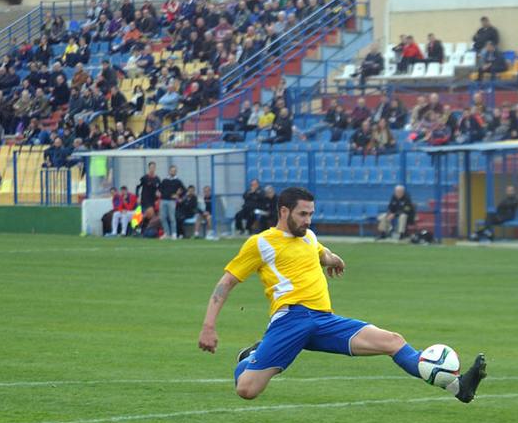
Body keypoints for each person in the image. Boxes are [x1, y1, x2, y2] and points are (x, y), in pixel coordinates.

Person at [197, 186, 487, 404]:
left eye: (311, 213)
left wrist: (334, 259)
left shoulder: (308, 236)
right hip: (290, 320)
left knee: (393, 341)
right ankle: (252, 356)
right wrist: (208, 327)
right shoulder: (260, 244)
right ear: (284, 212)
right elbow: (226, 282)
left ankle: (458, 387)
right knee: (247, 390)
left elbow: (320, 252)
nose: (309, 220)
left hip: (324, 321)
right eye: (303, 214)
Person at [159, 163, 186, 239]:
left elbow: (184, 190)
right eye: (172, 171)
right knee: (163, 217)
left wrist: (178, 195)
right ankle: (167, 233)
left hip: (171, 201)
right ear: (169, 171)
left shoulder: (178, 181)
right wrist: (159, 192)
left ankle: (174, 233)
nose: (173, 172)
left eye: (174, 171)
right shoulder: (165, 180)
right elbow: (160, 188)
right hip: (163, 200)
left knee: (172, 218)